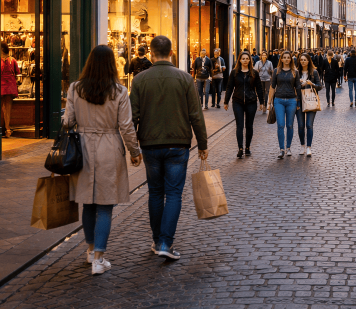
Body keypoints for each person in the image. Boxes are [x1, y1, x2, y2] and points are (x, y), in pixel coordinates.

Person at [62, 45, 141, 275]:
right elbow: (126, 125)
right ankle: (99, 258)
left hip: (83, 148)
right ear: (112, 65)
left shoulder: (75, 88)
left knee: (88, 203)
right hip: (109, 147)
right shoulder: (119, 91)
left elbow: (67, 121)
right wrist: (134, 151)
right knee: (105, 205)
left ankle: (89, 251)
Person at [130, 36, 208, 260]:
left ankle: (158, 241)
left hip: (150, 144)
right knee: (173, 193)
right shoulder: (185, 78)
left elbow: (132, 117)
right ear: (171, 53)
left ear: (151, 54)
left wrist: (133, 148)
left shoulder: (139, 80)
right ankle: (165, 242)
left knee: (155, 192)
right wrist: (202, 143)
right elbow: (196, 114)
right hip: (178, 143)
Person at [224, 52, 265, 158]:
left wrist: (261, 102)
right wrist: (226, 101)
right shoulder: (234, 73)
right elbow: (229, 87)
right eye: (243, 59)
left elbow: (259, 88)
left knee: (249, 125)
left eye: (247, 58)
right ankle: (240, 148)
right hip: (237, 101)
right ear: (240, 60)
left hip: (251, 101)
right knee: (240, 125)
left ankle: (247, 147)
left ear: (250, 60)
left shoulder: (254, 73)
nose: (245, 60)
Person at [267, 50, 300, 158]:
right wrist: (269, 102)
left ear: (291, 59)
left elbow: (298, 87)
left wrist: (298, 101)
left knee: (289, 125)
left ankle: (288, 148)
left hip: (291, 100)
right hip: (279, 100)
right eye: (284, 57)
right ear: (281, 59)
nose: (286, 59)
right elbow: (272, 87)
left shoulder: (295, 72)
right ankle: (281, 149)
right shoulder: (276, 71)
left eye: (288, 57)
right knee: (280, 125)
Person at [0, 41, 19, 137]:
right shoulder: (12, 60)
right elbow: (17, 73)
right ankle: (7, 129)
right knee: (7, 109)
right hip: (10, 87)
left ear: (1, 49)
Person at [295, 53, 322, 156]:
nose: (303, 61)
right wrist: (299, 84)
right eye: (301, 60)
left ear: (308, 61)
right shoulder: (296, 72)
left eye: (305, 60)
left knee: (309, 125)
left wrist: (312, 84)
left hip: (311, 100)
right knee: (301, 125)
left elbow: (320, 86)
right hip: (299, 101)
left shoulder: (314, 72)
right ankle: (302, 145)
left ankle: (309, 147)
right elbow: (293, 87)